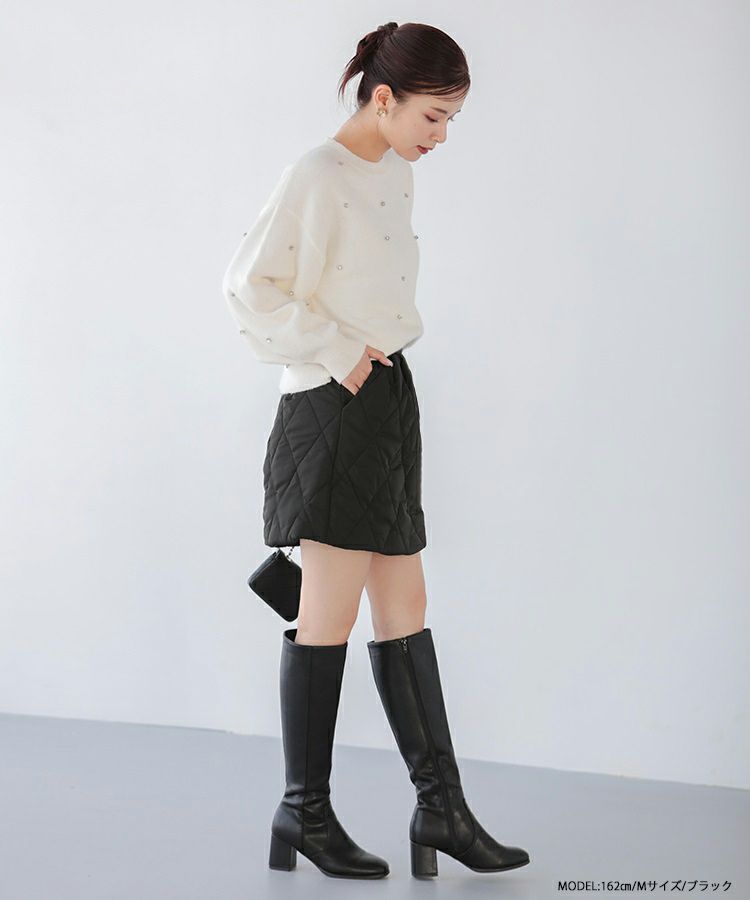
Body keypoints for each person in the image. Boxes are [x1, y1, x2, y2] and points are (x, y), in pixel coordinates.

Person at [222, 20, 531, 881]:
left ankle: (442, 809)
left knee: (406, 605)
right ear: (384, 98)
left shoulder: (393, 171)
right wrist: (337, 351)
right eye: (433, 117)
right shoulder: (317, 175)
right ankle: (305, 810)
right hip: (333, 404)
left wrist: (371, 365)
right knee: (328, 612)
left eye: (451, 121)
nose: (441, 137)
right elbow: (248, 286)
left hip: (387, 399)